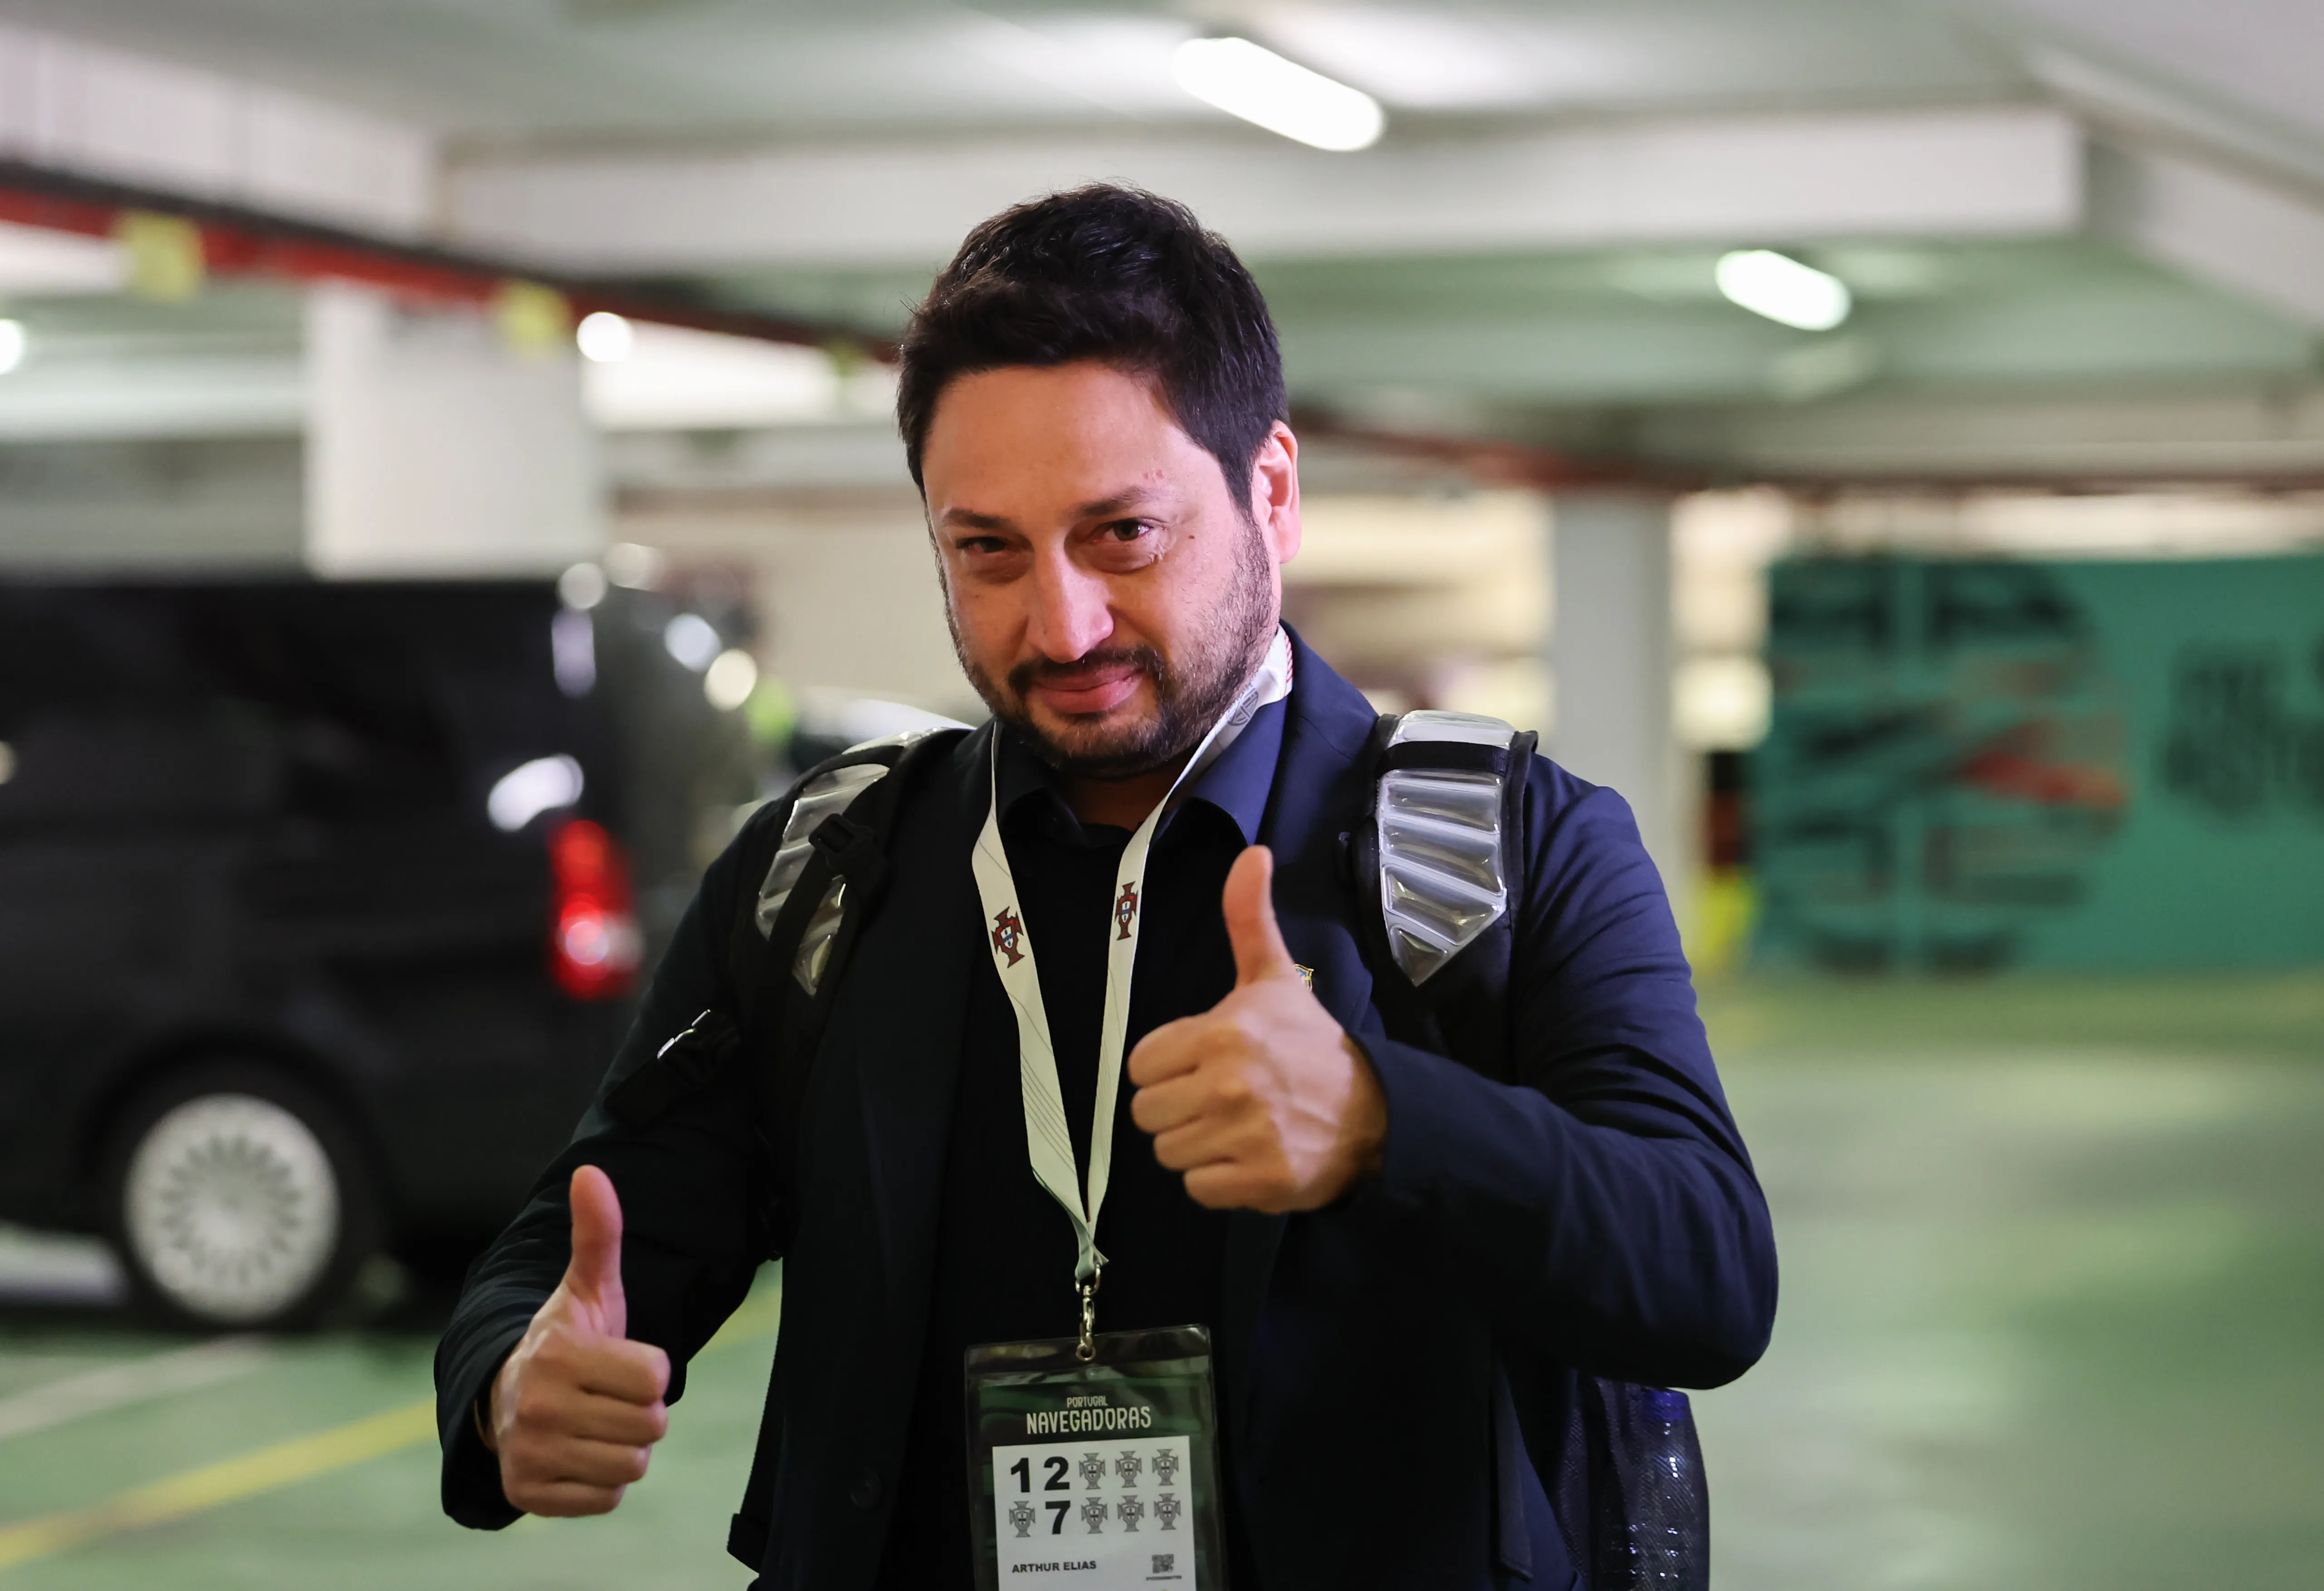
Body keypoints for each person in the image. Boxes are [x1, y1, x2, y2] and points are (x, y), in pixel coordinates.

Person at [435, 184, 1776, 1590]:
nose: (1059, 622)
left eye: (1122, 534)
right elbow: (596, 1222)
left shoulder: (1503, 848)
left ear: (1269, 488)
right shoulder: (828, 873)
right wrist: (509, 1374)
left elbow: (1706, 1274)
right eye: (987, 549)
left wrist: (1391, 1122)